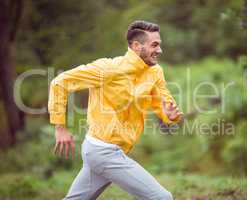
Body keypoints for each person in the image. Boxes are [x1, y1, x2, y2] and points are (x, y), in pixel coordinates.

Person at [48, 20, 183, 200]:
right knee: (161, 198)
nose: (159, 50)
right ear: (136, 46)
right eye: (154, 45)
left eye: (159, 45)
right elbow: (59, 83)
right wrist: (60, 127)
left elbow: (163, 103)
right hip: (103, 150)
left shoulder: (155, 72)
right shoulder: (108, 68)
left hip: (108, 151)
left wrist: (169, 116)